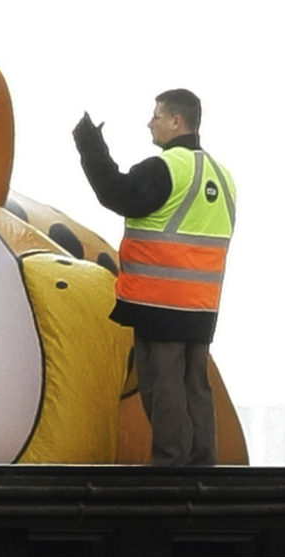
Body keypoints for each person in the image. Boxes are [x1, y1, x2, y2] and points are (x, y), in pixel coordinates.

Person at [72, 89, 236, 466]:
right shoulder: (222, 177)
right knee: (195, 386)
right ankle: (202, 466)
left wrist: (89, 144)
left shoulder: (166, 168)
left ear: (177, 122)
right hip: (201, 306)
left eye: (157, 115)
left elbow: (117, 194)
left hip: (159, 303)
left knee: (163, 389)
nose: (151, 122)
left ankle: (169, 470)